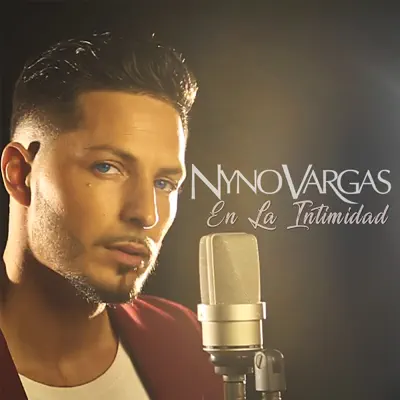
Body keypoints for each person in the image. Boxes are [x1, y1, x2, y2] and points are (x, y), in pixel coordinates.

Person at [0, 31, 223, 399]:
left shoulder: (186, 341)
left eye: (165, 183)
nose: (146, 214)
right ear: (20, 174)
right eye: (107, 167)